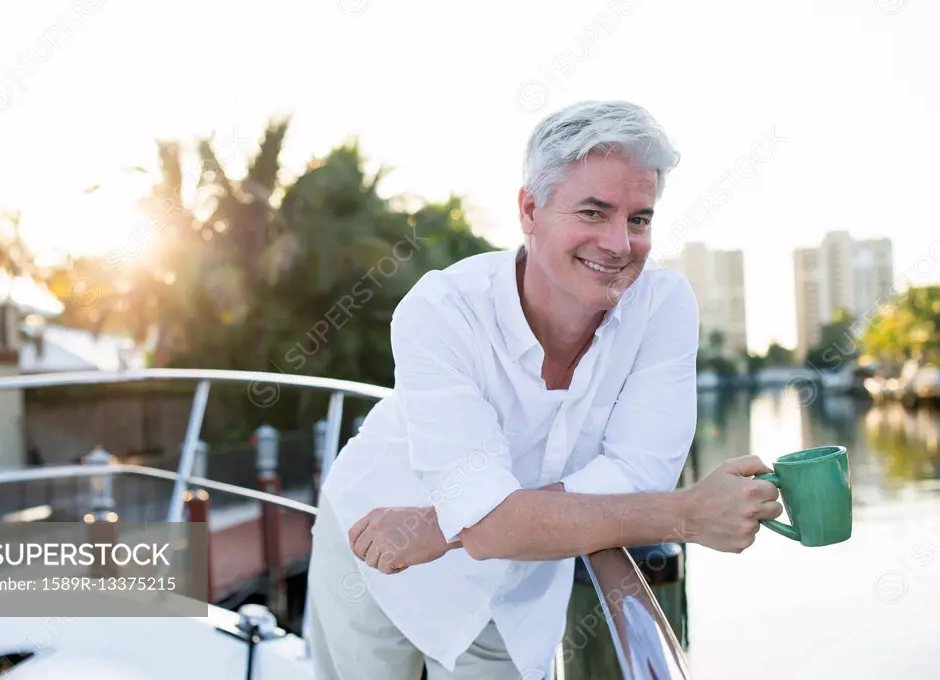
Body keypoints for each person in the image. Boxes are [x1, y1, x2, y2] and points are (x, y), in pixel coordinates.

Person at [306, 100, 783, 680]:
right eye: (594, 212)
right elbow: (496, 520)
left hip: (517, 586)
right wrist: (685, 514)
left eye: (639, 219)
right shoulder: (442, 311)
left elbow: (635, 478)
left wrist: (451, 524)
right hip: (376, 553)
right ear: (531, 210)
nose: (618, 243)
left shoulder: (664, 307)